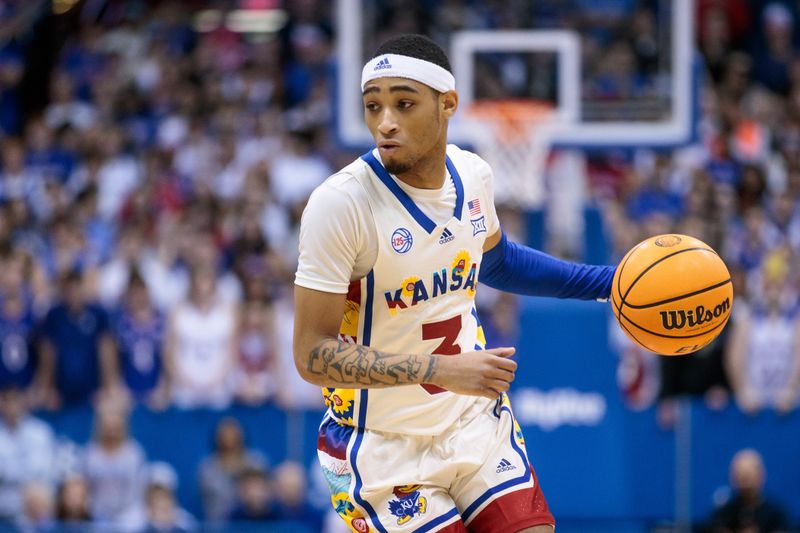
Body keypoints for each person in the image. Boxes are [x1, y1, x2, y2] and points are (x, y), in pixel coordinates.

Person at [293, 34, 614, 533]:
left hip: (470, 423)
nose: (385, 122)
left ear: (448, 104)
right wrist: (443, 368)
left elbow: (498, 261)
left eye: (404, 103)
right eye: (372, 106)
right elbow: (312, 355)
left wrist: (609, 283)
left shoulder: (473, 174)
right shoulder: (340, 205)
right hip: (379, 446)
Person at [709, 449, 788, 533]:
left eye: (749, 475)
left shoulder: (776, 515)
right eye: (741, 475)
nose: (745, 481)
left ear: (762, 475)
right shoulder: (723, 515)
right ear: (732, 477)